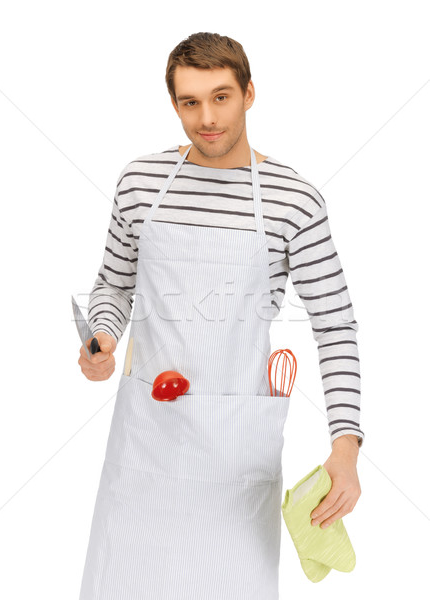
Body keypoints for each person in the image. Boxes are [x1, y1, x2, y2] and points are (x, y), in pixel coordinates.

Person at [77, 32, 364, 599]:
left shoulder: (293, 200)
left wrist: (346, 443)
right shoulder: (139, 184)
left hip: (236, 448)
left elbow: (335, 324)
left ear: (249, 93)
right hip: (146, 443)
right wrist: (103, 337)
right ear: (175, 104)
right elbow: (113, 284)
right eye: (190, 102)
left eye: (221, 97)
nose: (207, 118)